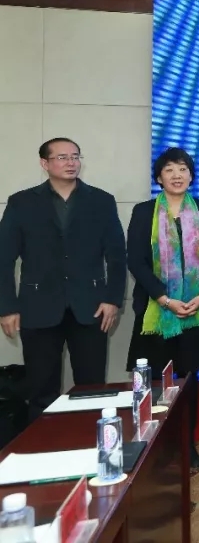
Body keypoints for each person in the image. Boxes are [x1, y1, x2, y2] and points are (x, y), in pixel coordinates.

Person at [0, 138, 126, 421]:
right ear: (44, 163)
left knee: (92, 388)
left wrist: (112, 299)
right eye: (62, 157)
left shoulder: (101, 201)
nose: (71, 162)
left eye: (75, 156)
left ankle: (91, 442)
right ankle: (41, 445)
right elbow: (3, 259)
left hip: (92, 307)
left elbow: (117, 256)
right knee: (42, 390)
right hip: (38, 306)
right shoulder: (21, 202)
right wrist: (7, 308)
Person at [127, 147, 199, 468]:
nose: (177, 175)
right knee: (156, 382)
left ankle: (186, 443)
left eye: (182, 169)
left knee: (189, 379)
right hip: (157, 309)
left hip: (195, 308)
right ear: (159, 177)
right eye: (169, 170)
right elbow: (136, 261)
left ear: (191, 175)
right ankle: (158, 446)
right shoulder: (144, 212)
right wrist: (164, 298)